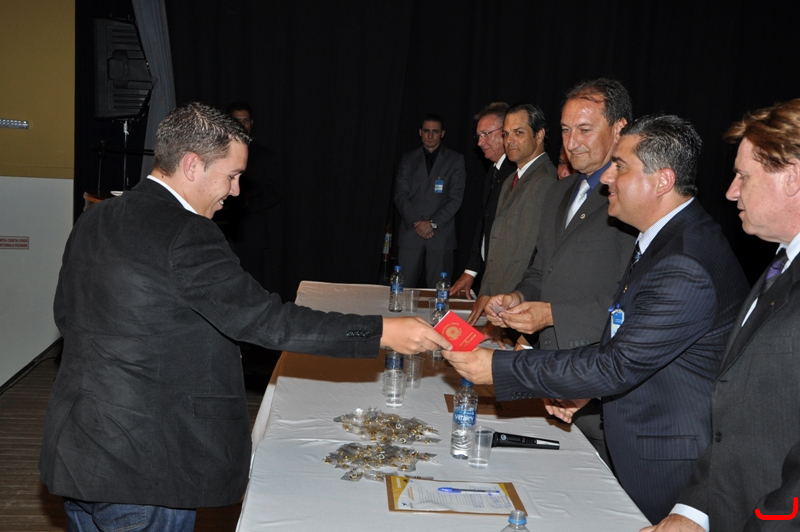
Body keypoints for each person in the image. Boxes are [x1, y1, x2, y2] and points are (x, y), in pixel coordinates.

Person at [39, 102, 450, 531]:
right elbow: (268, 322)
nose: (235, 191)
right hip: (146, 468)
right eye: (231, 176)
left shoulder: (96, 215)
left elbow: (67, 315)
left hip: (79, 451)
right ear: (192, 165)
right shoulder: (188, 233)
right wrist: (381, 331)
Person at [444, 114, 749, 523]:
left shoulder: (684, 261)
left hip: (670, 469)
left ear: (662, 180)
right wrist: (587, 392)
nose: (607, 178)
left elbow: (616, 365)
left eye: (620, 166)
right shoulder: (669, 239)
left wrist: (498, 368)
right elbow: (630, 335)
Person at [645, 99, 800, 532]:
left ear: (792, 176)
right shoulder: (778, 265)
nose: (731, 191)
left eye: (743, 176)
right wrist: (692, 513)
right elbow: (738, 418)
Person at [474, 78, 638, 467]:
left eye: (585, 129)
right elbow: (540, 269)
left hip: (600, 389)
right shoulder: (560, 192)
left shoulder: (634, 199)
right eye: (566, 130)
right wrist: (518, 297)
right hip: (550, 377)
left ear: (619, 129)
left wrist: (551, 315)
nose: (572, 142)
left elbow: (633, 298)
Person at [467, 103, 556, 325]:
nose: (510, 141)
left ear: (539, 135)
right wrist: (485, 293)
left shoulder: (543, 180)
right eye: (506, 134)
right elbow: (495, 244)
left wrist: (501, 305)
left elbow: (524, 255)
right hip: (497, 301)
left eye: (518, 133)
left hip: (513, 305)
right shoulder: (510, 179)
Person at [449, 102, 517, 299]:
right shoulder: (493, 171)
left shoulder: (515, 174)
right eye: (478, 136)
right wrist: (470, 271)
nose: (480, 142)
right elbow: (485, 223)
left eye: (486, 134)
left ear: (505, 133)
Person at [394, 114, 466, 287]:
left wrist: (432, 223)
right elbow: (400, 195)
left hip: (440, 234)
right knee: (402, 289)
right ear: (420, 132)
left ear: (442, 134)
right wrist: (418, 224)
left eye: (435, 131)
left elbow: (455, 198)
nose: (430, 135)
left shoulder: (455, 160)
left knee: (439, 291)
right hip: (411, 233)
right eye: (426, 131)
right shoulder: (408, 159)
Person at [222, 101, 283, 291]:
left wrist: (247, 204)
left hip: (250, 231)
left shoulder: (265, 156)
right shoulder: (215, 153)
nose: (242, 125)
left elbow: (274, 191)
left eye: (246, 120)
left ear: (252, 123)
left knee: (251, 283)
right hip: (219, 228)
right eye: (236, 120)